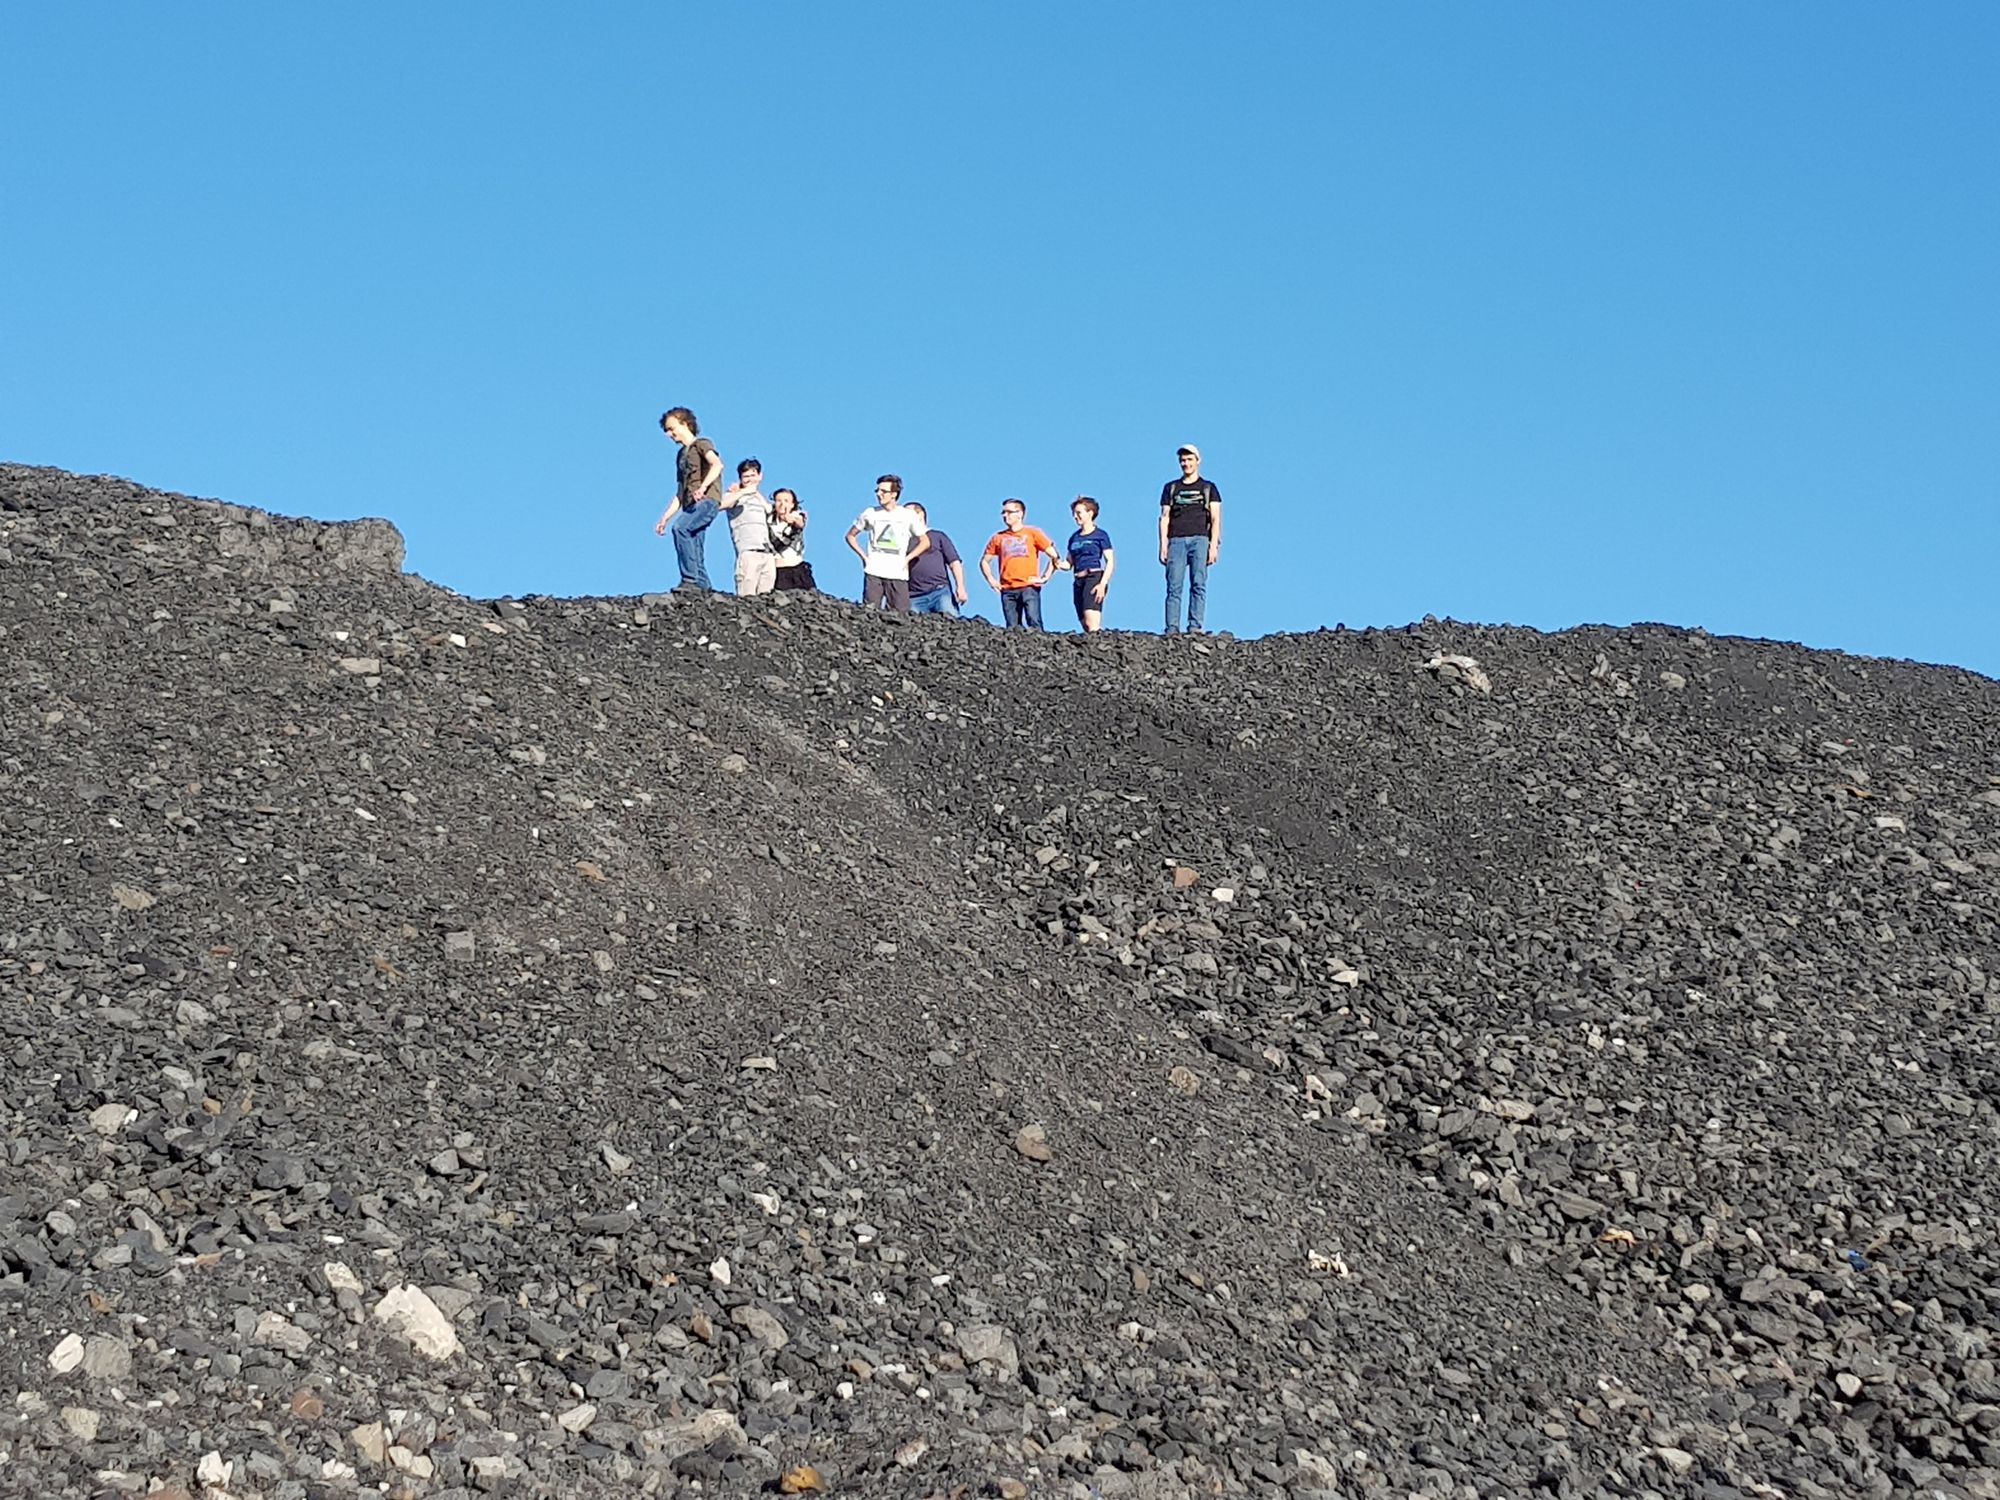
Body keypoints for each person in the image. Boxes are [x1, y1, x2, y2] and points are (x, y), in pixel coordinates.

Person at [653, 407, 724, 591]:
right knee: (694, 547)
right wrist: (665, 518)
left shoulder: (702, 444)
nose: (669, 434)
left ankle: (690, 581)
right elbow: (680, 492)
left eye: (671, 428)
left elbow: (716, 465)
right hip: (690, 505)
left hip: (706, 501)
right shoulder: (681, 456)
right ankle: (705, 591)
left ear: (684, 423)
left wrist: (703, 487)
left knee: (681, 529)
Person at [1158, 443, 1222, 633]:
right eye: (1183, 460)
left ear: (1198, 461)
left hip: (1200, 539)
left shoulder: (1208, 487)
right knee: (1173, 586)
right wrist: (1163, 545)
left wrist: (1214, 545)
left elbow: (1216, 517)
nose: (1186, 463)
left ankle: (1195, 626)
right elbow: (1164, 517)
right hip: (1176, 540)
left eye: (1189, 459)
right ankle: (1172, 628)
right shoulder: (1171, 488)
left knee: (1198, 584)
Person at [845, 474, 930, 613]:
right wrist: (864, 557)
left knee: (900, 615)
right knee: (870, 613)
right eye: (877, 491)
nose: (879, 494)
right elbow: (850, 536)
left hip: (898, 573)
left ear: (894, 494)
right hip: (874, 571)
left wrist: (907, 558)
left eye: (883, 491)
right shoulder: (870, 513)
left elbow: (925, 542)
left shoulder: (908, 516)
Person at [980, 499, 1060, 631]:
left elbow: (1054, 555)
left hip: (1029, 586)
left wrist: (1045, 577)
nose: (1005, 516)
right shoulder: (998, 538)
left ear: (1020, 514)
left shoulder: (1033, 533)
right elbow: (984, 561)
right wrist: (991, 580)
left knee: (1034, 623)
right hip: (1007, 589)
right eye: (1003, 512)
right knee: (1012, 628)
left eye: (1009, 512)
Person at [718, 458, 778, 596]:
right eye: (746, 476)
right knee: (747, 596)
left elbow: (771, 512)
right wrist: (742, 491)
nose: (750, 479)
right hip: (748, 552)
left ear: (760, 476)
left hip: (767, 553)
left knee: (767, 597)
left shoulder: (761, 499)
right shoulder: (735, 495)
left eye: (753, 475)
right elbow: (720, 505)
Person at [1059, 496, 1116, 632]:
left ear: (1090, 513)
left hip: (1093, 577)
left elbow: (1110, 561)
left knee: (1092, 622)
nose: (1075, 516)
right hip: (1078, 579)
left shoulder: (1100, 535)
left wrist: (1103, 583)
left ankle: (1099, 647)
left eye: (1079, 513)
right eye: (1074, 513)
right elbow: (1068, 563)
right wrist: (1057, 562)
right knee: (1084, 622)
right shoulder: (1074, 537)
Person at [904, 502, 969, 616]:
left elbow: (954, 562)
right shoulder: (903, 541)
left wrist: (960, 587)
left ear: (920, 515)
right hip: (914, 596)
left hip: (940, 591)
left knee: (952, 624)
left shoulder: (937, 536)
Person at [770, 488, 815, 591]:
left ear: (792, 504)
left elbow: (800, 523)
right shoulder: (769, 520)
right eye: (778, 501)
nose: (782, 504)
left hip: (797, 569)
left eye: (786, 501)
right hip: (777, 571)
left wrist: (792, 520)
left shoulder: (798, 515)